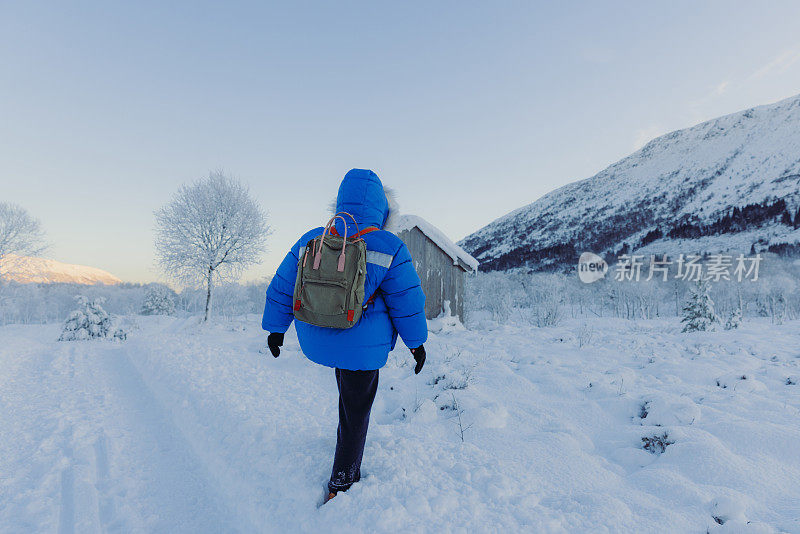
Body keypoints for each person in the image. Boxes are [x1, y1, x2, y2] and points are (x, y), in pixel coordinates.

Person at [261, 168, 428, 502]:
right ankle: (343, 480)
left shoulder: (314, 238)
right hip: (362, 347)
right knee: (357, 407)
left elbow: (282, 285)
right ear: (383, 209)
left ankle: (344, 438)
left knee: (347, 389)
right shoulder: (389, 246)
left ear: (340, 202)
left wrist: (276, 330)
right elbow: (407, 301)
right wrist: (417, 344)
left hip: (317, 336)